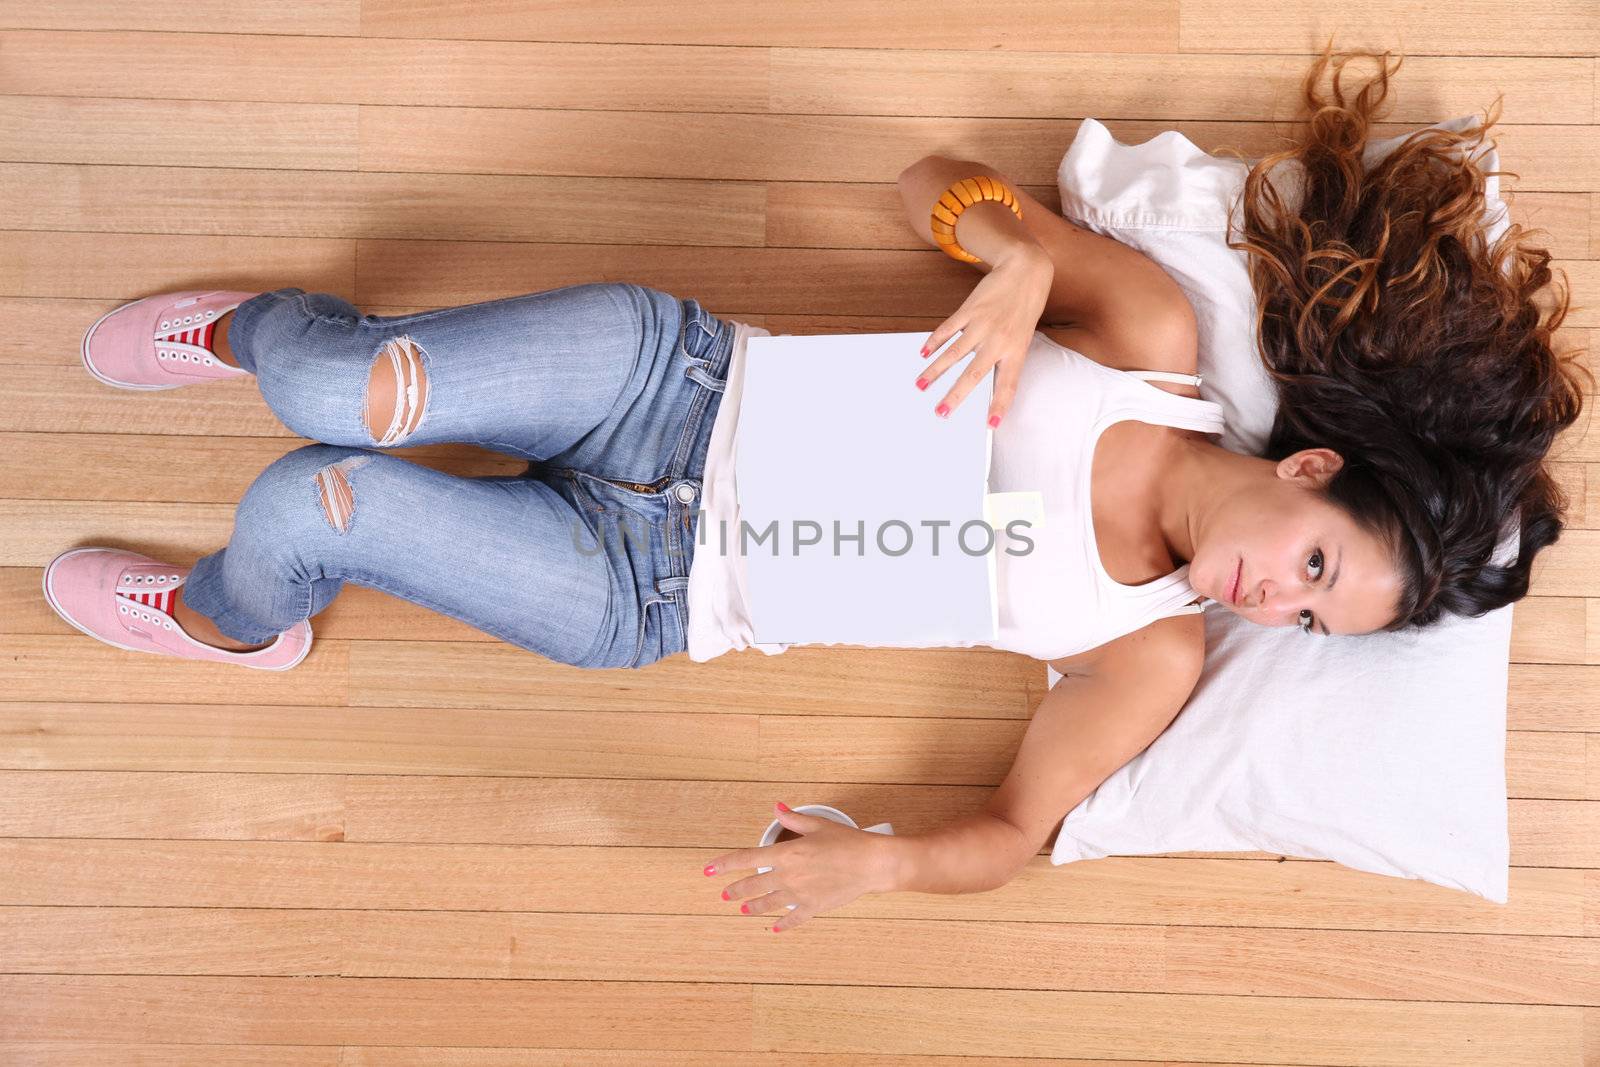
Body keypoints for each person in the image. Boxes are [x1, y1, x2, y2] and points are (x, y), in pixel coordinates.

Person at [42, 48, 1589, 931]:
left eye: (1313, 629)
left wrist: (888, 861)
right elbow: (930, 185)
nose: (1278, 605)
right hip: (682, 382)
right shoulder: (1153, 344)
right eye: (1319, 568)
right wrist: (1021, 262)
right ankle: (262, 330)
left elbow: (1017, 828)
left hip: (651, 587)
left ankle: (239, 624)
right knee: (324, 389)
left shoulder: (1153, 652)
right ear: (1310, 470)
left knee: (315, 506)